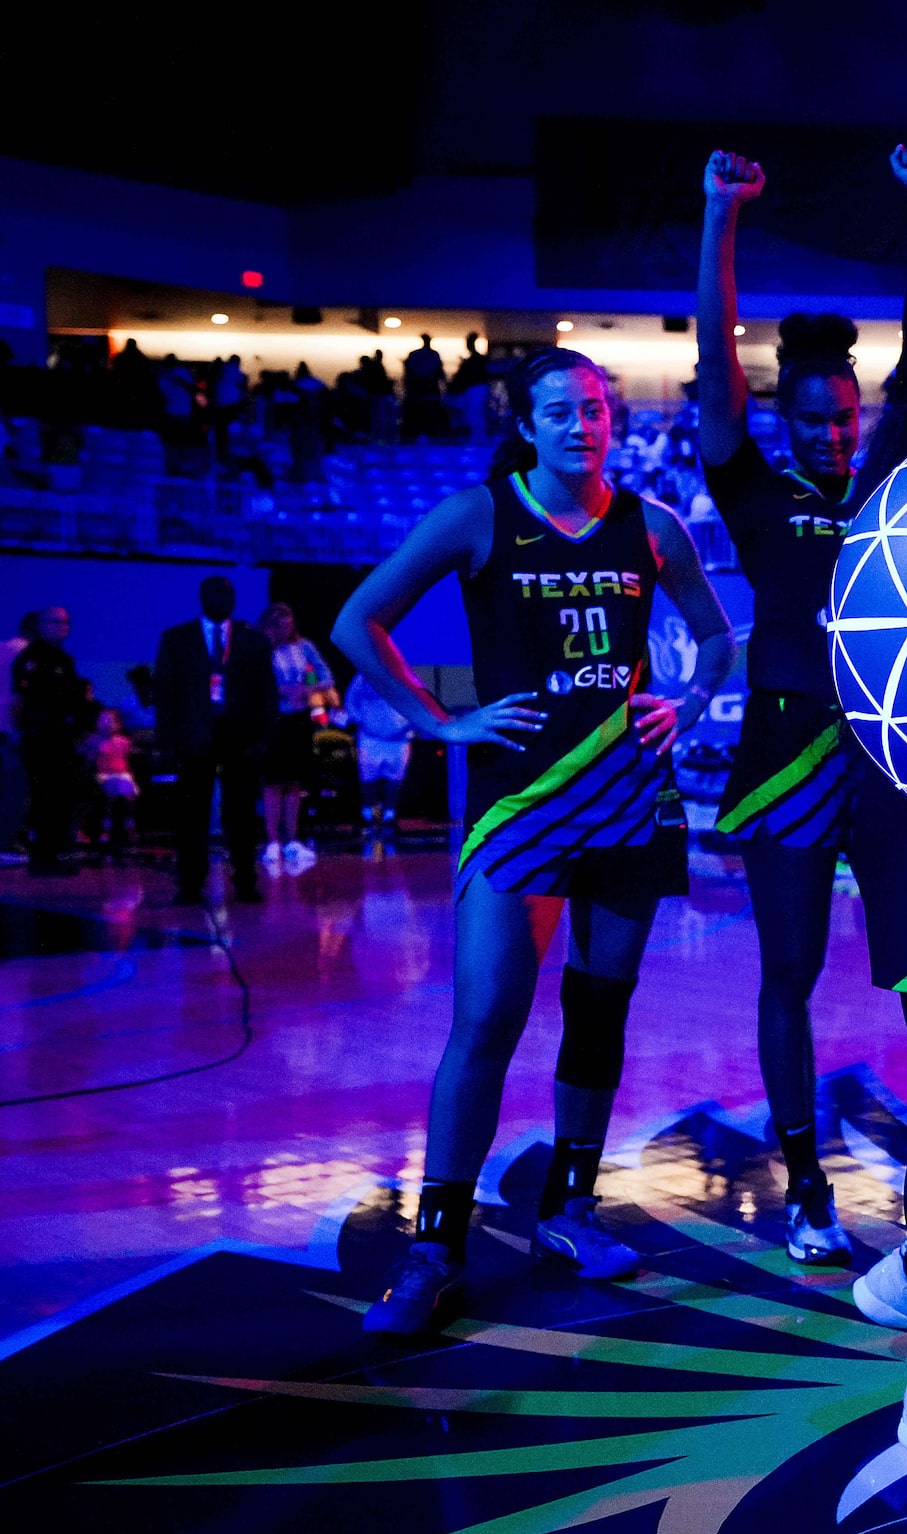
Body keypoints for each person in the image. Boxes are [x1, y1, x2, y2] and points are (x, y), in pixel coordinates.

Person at [331, 347, 736, 1335]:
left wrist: (682, 703)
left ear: (614, 422)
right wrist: (439, 721)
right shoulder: (479, 515)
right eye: (559, 410)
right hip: (522, 810)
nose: (580, 425)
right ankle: (436, 1247)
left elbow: (718, 638)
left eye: (594, 409)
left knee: (600, 1014)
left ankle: (570, 1211)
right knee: (488, 1021)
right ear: (526, 420)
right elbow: (357, 622)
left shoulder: (655, 527)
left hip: (632, 803)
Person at [697, 145, 907, 1316]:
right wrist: (718, 219)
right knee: (788, 973)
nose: (832, 437)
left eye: (843, 418)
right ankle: (804, 1181)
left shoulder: (891, 474)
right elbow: (712, 368)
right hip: (786, 753)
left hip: (887, 759)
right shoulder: (749, 486)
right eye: (811, 421)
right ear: (785, 416)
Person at [153, 576, 275, 906]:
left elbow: (267, 694)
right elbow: (165, 694)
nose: (222, 599)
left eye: (227, 594)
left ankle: (246, 881)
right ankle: (190, 883)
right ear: (203, 598)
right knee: (191, 813)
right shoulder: (178, 639)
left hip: (241, 738)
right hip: (194, 738)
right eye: (215, 594)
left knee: (242, 814)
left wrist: (264, 737)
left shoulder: (253, 641)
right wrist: (166, 742)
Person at [10, 609, 88, 876]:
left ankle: (56, 851)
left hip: (61, 738)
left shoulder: (63, 660)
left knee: (61, 796)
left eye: (66, 622)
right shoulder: (31, 659)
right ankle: (43, 856)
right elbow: (19, 701)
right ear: (41, 626)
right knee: (44, 796)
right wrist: (28, 733)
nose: (61, 626)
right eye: (55, 622)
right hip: (41, 738)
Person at [261, 603, 334, 871]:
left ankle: (292, 840)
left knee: (294, 781)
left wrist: (305, 687)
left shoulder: (304, 647)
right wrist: (282, 690)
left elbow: (326, 677)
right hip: (272, 720)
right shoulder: (262, 649)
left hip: (298, 720)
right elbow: (255, 682)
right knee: (272, 781)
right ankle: (272, 842)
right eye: (279, 623)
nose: (285, 628)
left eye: (288, 623)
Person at [0, 612, 34, 865]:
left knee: (0, 788)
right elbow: (19, 697)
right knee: (16, 788)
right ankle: (6, 844)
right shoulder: (26, 654)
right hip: (11, 728)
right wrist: (18, 729)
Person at [347, 676, 414, 856]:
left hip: (398, 738)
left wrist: (410, 725)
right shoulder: (363, 676)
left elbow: (415, 700)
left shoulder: (403, 674)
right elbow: (351, 699)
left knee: (395, 779)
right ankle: (369, 815)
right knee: (368, 779)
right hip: (371, 737)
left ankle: (389, 816)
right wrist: (360, 719)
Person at [87, 708, 139, 854]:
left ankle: (129, 824)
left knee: (126, 788)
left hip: (121, 774)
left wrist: (129, 775)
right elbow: (90, 761)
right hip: (103, 775)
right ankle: (106, 827)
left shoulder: (124, 742)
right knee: (108, 794)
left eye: (111, 721)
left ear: (118, 724)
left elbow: (128, 762)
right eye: (104, 721)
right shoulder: (94, 740)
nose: (107, 724)